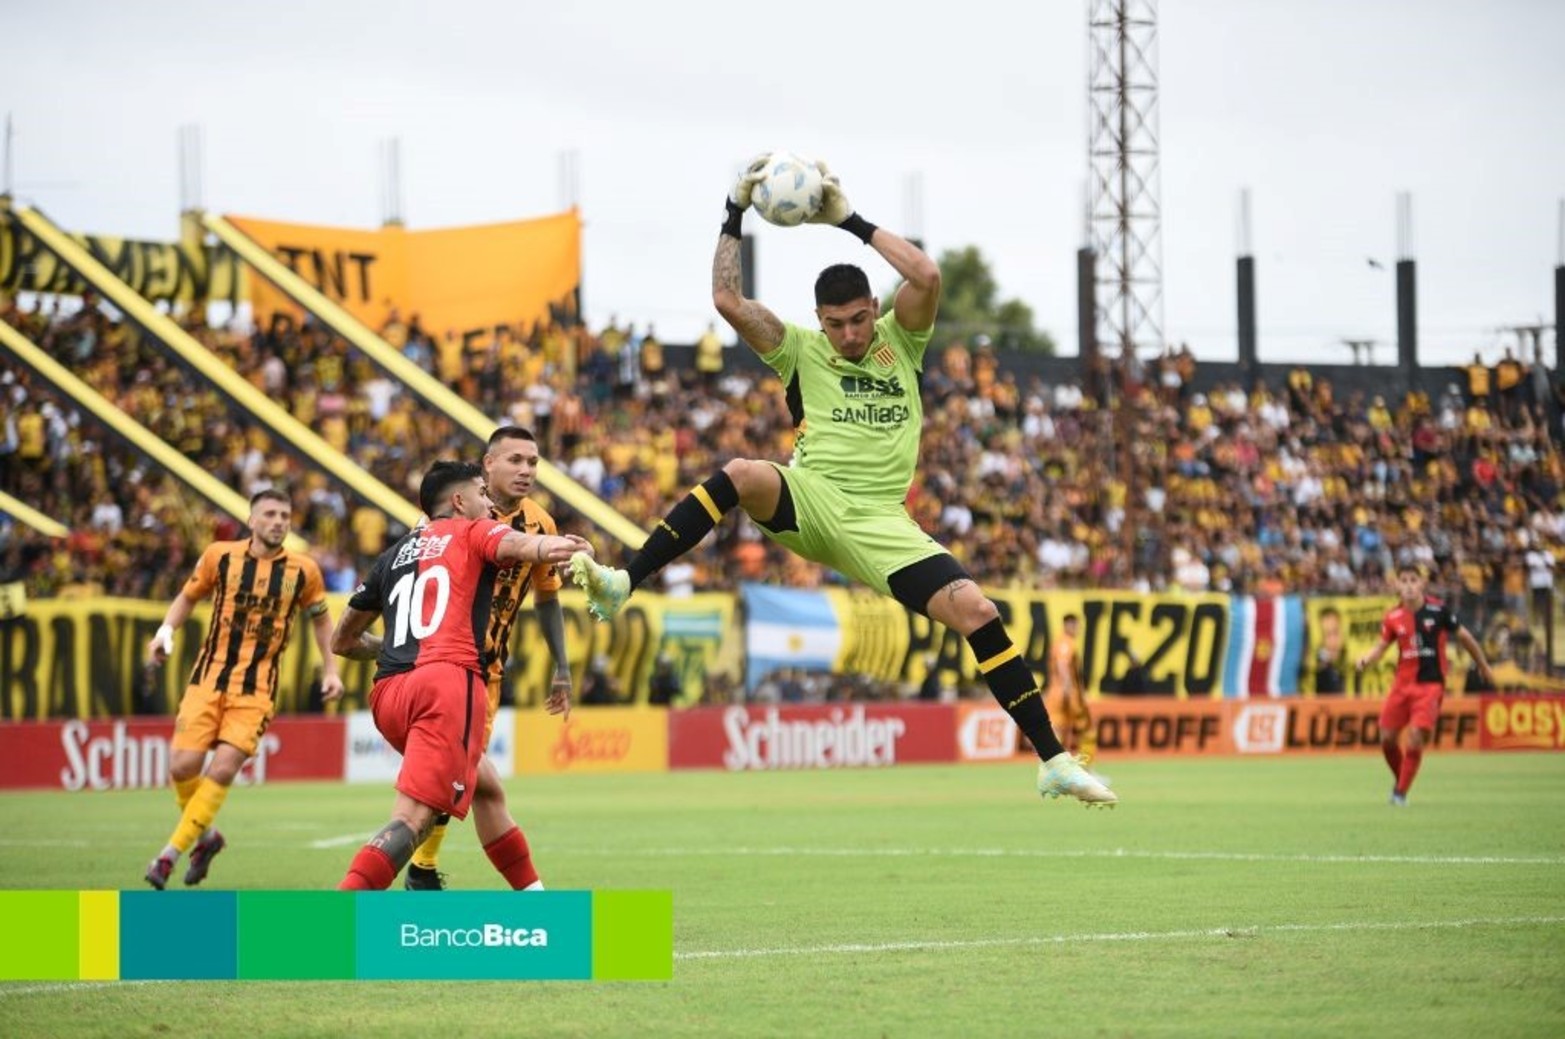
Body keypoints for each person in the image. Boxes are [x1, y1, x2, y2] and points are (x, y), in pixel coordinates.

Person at [569, 156, 1114, 807]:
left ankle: (1051, 759)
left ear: (872, 308)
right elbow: (725, 299)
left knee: (978, 611)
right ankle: (625, 577)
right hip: (814, 499)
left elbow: (927, 273)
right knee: (742, 472)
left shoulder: (901, 340)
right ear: (819, 319)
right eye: (836, 323)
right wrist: (733, 209)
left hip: (883, 523)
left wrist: (847, 220)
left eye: (858, 319)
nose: (850, 334)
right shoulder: (798, 347)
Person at [331, 461, 592, 890]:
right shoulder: (473, 530)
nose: (490, 503)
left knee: (485, 786)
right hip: (445, 687)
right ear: (458, 501)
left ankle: (538, 902)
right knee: (412, 819)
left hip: (388, 694)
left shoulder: (395, 553)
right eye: (481, 494)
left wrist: (399, 647)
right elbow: (527, 547)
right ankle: (330, 924)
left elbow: (342, 641)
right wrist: (570, 548)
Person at [142, 488, 345, 890]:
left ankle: (168, 855)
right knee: (182, 767)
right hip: (207, 677)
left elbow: (322, 621)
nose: (278, 522)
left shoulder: (304, 571)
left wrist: (331, 669)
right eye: (269, 514)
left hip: (257, 690)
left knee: (222, 768)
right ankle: (207, 837)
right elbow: (187, 597)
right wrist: (165, 632)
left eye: (285, 515)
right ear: (251, 521)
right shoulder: (220, 556)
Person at [403, 426, 575, 890]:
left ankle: (419, 869)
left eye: (533, 462)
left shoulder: (540, 522)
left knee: (461, 777)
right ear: (488, 465)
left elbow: (546, 598)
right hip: (439, 669)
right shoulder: (445, 520)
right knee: (458, 777)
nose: (526, 470)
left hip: (489, 672)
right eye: (515, 460)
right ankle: (415, 872)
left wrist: (562, 665)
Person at [1355, 564, 1494, 806]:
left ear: (1421, 584)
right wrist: (1366, 658)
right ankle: (1402, 782)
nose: (1408, 585)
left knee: (1416, 736)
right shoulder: (1392, 617)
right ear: (1397, 585)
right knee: (1387, 738)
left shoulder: (1439, 610)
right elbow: (1381, 647)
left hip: (1430, 686)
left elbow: (1465, 637)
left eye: (1413, 580)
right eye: (1404, 580)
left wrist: (1482, 665)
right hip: (1402, 685)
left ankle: (1399, 795)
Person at [1045, 614, 1095, 767]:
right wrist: (1067, 687)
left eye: (1077, 625)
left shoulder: (1059, 642)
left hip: (1056, 692)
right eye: (1074, 625)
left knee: (1059, 731)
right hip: (1067, 694)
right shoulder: (1066, 644)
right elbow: (1062, 664)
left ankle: (1057, 768)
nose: (1076, 628)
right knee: (1087, 731)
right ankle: (1086, 771)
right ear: (1066, 625)